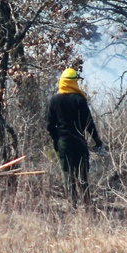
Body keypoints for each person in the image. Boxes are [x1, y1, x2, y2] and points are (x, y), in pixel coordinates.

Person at [46, 67, 103, 207]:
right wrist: (97, 140)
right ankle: (87, 203)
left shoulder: (54, 100)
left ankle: (72, 204)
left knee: (68, 173)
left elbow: (50, 125)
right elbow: (89, 123)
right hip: (79, 141)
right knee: (82, 173)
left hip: (63, 141)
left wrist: (56, 140)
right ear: (73, 82)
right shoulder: (80, 99)